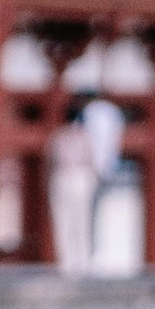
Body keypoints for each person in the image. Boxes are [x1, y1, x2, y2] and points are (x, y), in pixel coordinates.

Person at [48, 78, 127, 275]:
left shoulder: (60, 136)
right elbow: (99, 154)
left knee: (65, 221)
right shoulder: (106, 117)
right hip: (85, 177)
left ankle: (67, 262)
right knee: (82, 220)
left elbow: (52, 161)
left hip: (65, 176)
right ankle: (84, 260)